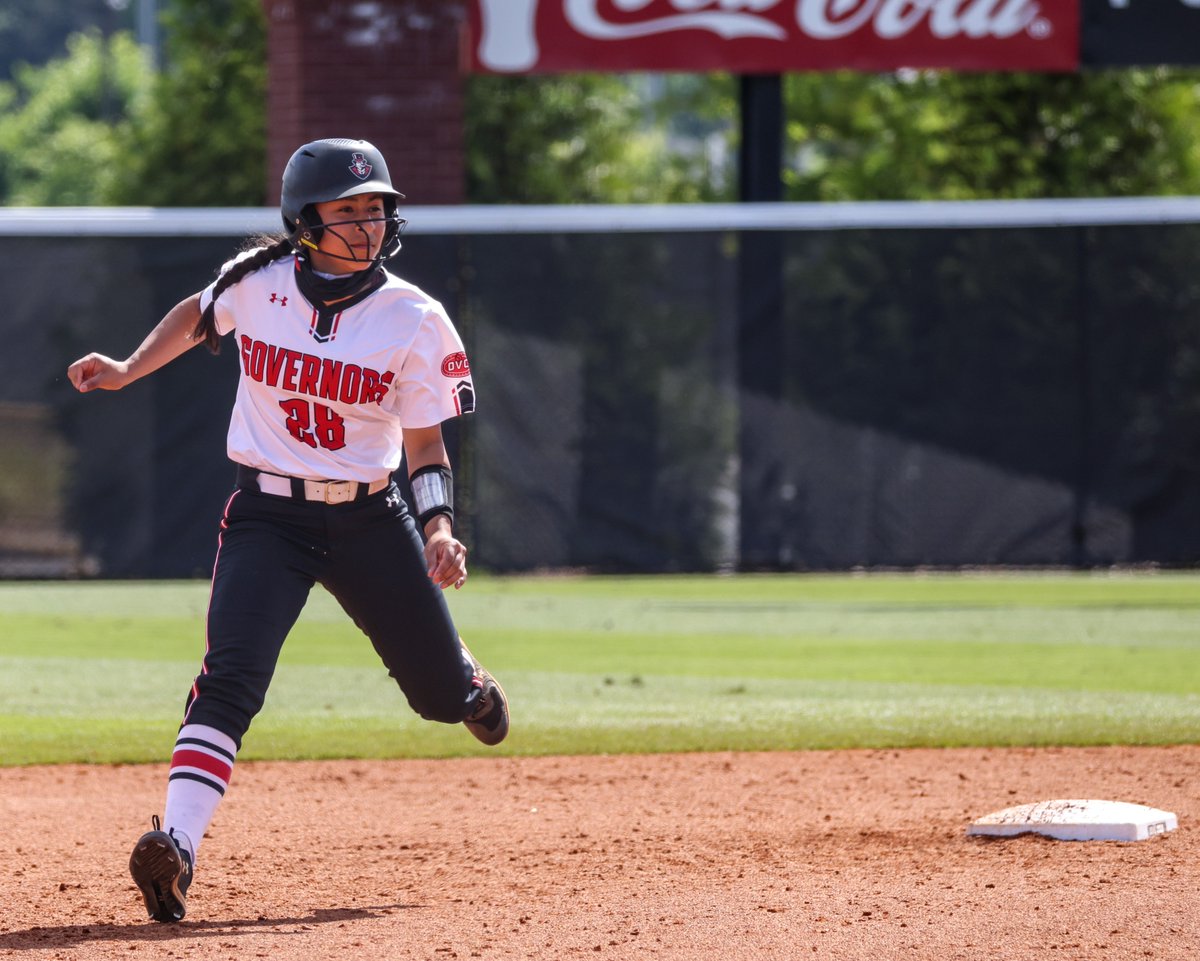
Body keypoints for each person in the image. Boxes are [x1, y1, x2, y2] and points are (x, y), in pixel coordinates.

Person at [66, 138, 508, 924]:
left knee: (439, 698)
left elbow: (426, 445)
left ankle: (468, 681)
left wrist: (439, 525)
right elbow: (198, 314)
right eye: (348, 212)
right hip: (268, 514)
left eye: (377, 209)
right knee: (230, 676)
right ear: (304, 221)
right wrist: (131, 367)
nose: (367, 225)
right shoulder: (259, 282)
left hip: (372, 516)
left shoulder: (414, 317)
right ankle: (177, 846)